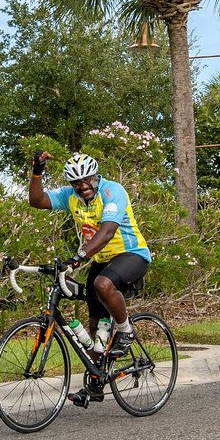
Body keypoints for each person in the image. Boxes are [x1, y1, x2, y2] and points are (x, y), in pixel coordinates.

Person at [29, 149, 151, 406]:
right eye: (76, 182)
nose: (82, 186)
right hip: (102, 260)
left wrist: (78, 257)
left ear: (96, 176)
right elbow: (37, 201)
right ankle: (96, 383)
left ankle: (126, 330)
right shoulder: (70, 196)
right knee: (94, 324)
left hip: (131, 255)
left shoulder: (112, 191)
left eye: (87, 180)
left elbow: (107, 232)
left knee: (102, 284)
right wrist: (37, 173)